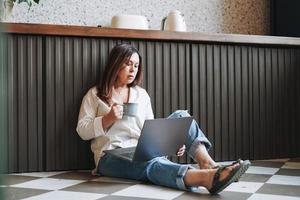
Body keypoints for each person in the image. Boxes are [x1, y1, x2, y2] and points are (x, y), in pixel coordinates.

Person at [76, 43, 250, 194]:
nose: (132, 69)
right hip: (110, 156)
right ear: (115, 65)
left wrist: (170, 145)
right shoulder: (96, 94)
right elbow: (82, 130)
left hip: (140, 149)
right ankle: (206, 179)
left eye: (136, 66)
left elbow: (150, 131)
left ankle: (209, 164)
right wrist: (107, 118)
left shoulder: (141, 95)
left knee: (182, 115)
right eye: (128, 64)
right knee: (149, 164)